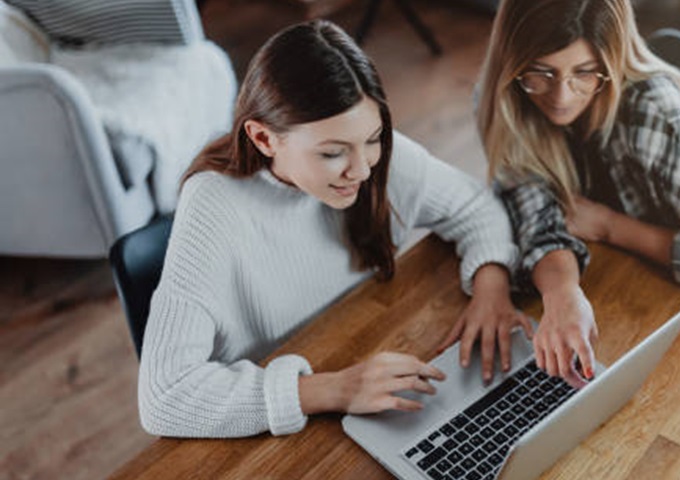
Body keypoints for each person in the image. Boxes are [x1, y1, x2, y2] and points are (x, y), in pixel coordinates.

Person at [138, 20, 531, 438]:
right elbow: (164, 398)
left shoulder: (368, 155)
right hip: (281, 434)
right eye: (332, 153)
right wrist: (335, 389)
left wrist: (491, 287)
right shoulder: (214, 205)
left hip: (370, 361)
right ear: (264, 139)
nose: (361, 169)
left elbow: (474, 204)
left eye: (374, 138)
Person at [474, 0, 680, 387]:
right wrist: (562, 292)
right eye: (540, 73)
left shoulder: (654, 113)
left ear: (611, 63)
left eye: (584, 73)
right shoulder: (506, 97)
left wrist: (612, 227)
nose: (561, 97)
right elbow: (531, 207)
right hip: (607, 287)